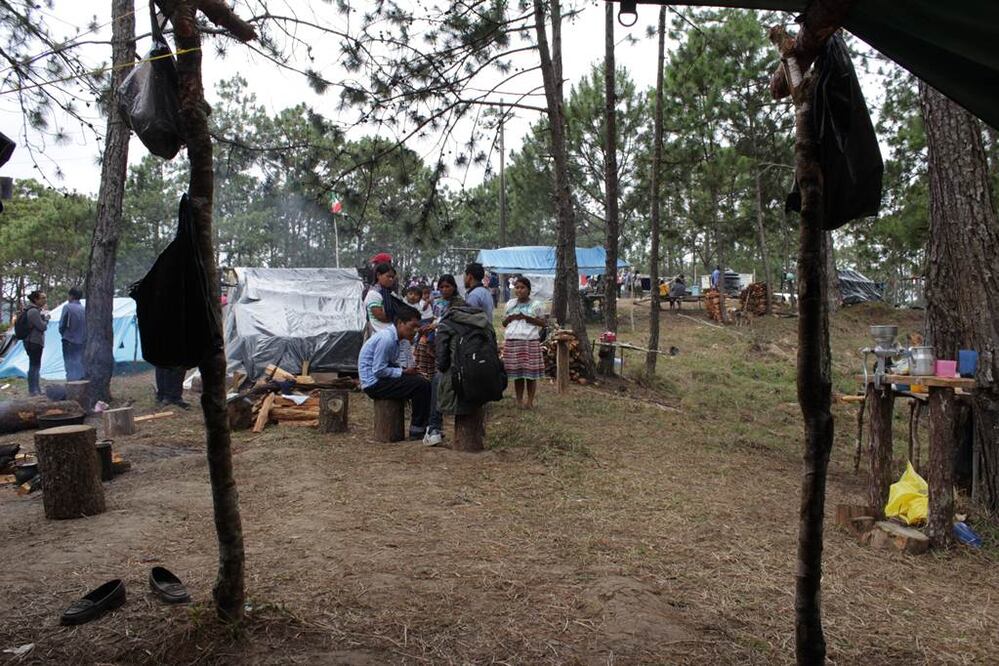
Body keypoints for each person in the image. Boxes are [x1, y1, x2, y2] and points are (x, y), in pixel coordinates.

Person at [358, 305, 430, 441]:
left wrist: (406, 372)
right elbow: (379, 370)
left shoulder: (395, 338)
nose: (415, 331)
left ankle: (421, 426)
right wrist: (403, 372)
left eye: (417, 327)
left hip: (378, 380)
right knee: (422, 385)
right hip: (373, 384)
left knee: (419, 380)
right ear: (400, 323)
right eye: (412, 326)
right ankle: (417, 429)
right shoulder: (387, 339)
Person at [420, 275, 464, 443]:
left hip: (452, 346)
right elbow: (435, 319)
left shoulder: (460, 304)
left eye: (448, 286)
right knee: (436, 380)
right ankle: (434, 426)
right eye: (442, 287)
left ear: (453, 287)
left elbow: (452, 323)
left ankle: (434, 427)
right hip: (439, 342)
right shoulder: (437, 302)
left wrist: (437, 325)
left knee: (439, 381)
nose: (445, 290)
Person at [501, 277, 547, 409]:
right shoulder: (510, 304)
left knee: (530, 374)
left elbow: (543, 323)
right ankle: (519, 401)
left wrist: (527, 318)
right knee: (518, 373)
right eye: (517, 287)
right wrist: (510, 318)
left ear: (529, 290)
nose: (519, 290)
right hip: (513, 340)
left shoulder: (536, 305)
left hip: (529, 341)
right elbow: (504, 323)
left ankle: (530, 401)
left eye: (522, 287)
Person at [22, 290, 49, 396]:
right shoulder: (33, 311)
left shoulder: (33, 310)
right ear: (36, 299)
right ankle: (33, 389)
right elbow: (42, 327)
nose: (45, 300)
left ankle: (35, 388)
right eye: (42, 298)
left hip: (32, 341)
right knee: (34, 366)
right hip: (34, 341)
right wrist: (46, 319)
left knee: (34, 365)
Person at [59, 286, 86, 381]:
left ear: (71, 296)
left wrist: (63, 334)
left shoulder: (67, 307)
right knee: (79, 363)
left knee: (69, 364)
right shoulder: (84, 309)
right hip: (81, 341)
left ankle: (71, 384)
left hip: (69, 340)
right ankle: (80, 383)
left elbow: (62, 324)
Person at [364, 262, 398, 336]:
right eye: (388, 276)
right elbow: (381, 316)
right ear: (378, 275)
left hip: (390, 333)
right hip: (379, 334)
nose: (391, 279)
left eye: (392, 277)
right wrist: (397, 315)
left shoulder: (390, 293)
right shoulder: (374, 294)